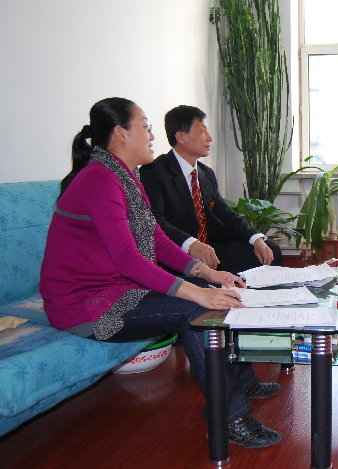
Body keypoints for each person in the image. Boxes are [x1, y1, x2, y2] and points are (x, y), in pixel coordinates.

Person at [39, 97, 282, 448]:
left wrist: (208, 275)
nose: (153, 135)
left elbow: (155, 237)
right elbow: (127, 259)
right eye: (146, 126)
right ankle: (229, 417)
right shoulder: (100, 180)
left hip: (118, 290)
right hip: (88, 306)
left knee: (221, 294)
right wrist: (198, 292)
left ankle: (243, 382)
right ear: (121, 133)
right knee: (197, 309)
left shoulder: (124, 177)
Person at [139, 105, 282, 276]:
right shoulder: (154, 171)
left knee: (270, 250)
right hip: (178, 252)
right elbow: (155, 222)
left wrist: (256, 238)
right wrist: (191, 244)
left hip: (210, 250)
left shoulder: (205, 173)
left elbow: (225, 214)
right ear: (181, 137)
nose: (210, 138)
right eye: (202, 131)